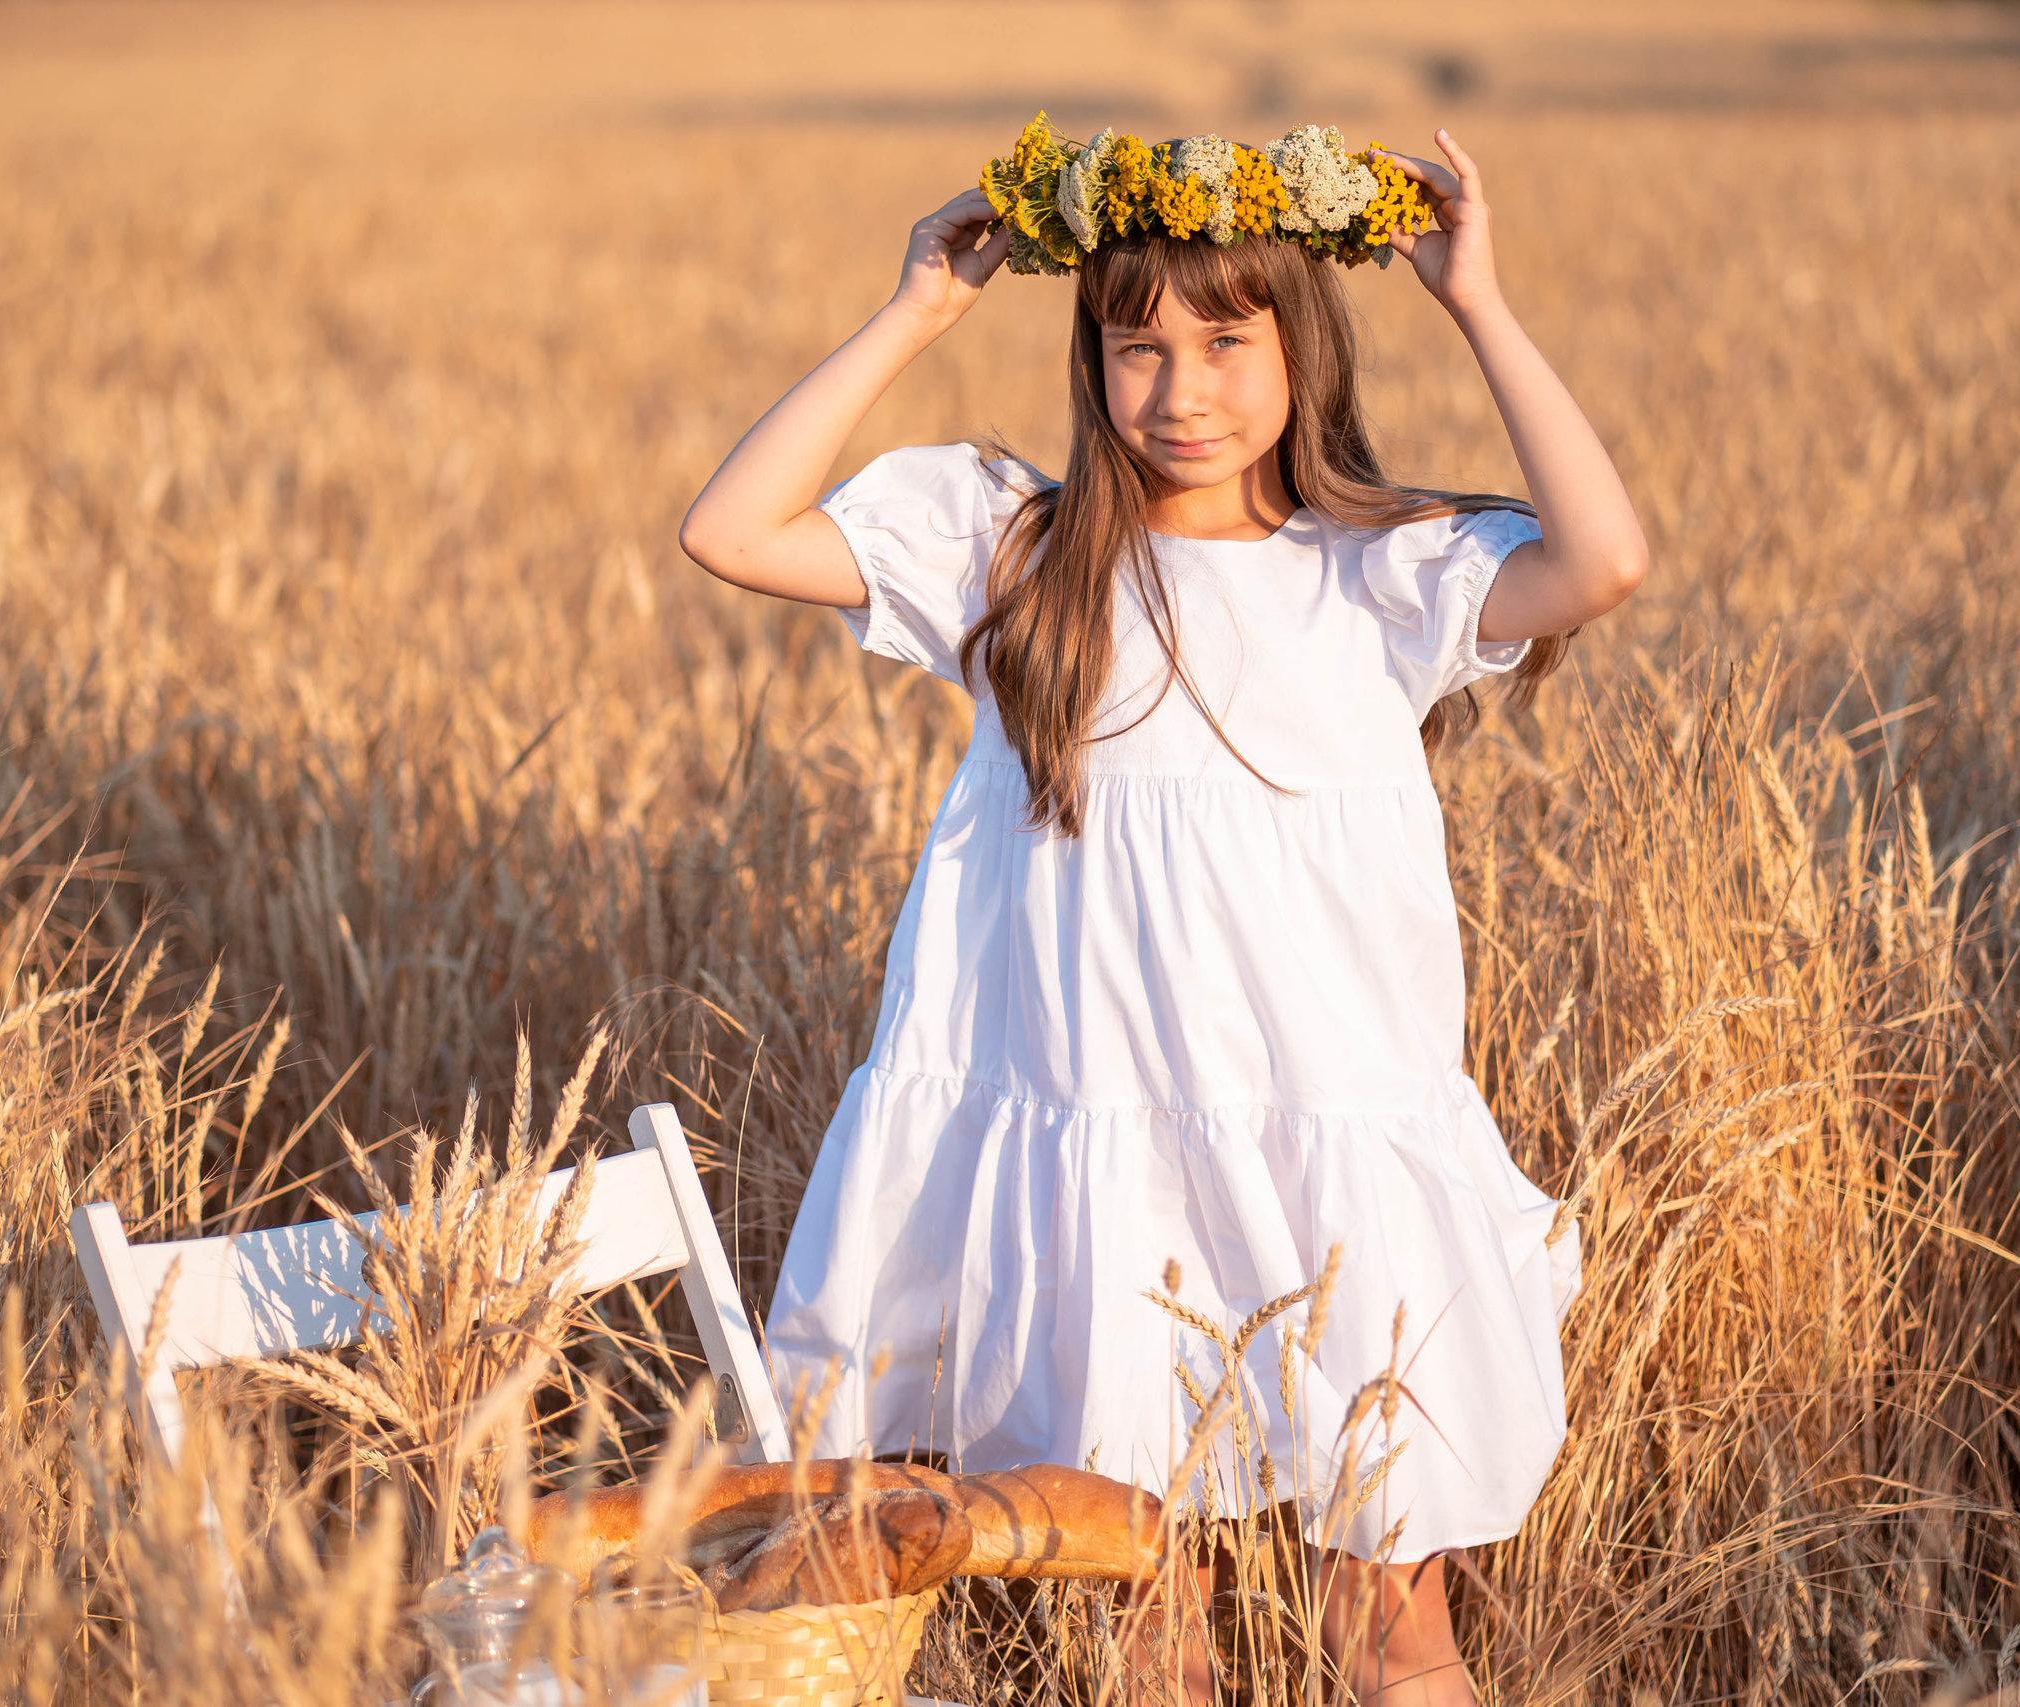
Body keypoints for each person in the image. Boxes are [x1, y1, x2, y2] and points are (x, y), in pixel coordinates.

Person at [678, 117, 1648, 1707]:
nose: (1179, 392)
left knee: (1394, 1633)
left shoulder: (1379, 576)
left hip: (1330, 1161)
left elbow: (1604, 556)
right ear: (1091, 362)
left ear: (1301, 352)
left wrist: (1478, 302)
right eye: (1136, 349)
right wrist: (918, 309)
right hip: (1097, 1176)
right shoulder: (1019, 553)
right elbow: (730, 532)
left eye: (1223, 342)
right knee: (1144, 1638)